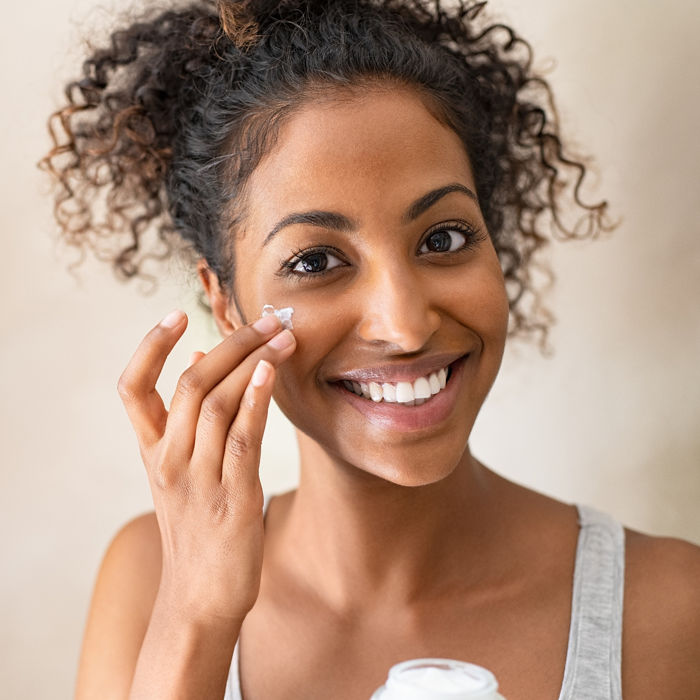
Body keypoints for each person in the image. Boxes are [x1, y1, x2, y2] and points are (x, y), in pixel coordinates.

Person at [41, 1, 700, 698]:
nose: (406, 326)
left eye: (443, 239)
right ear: (224, 300)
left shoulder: (665, 609)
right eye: (317, 260)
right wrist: (197, 619)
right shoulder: (150, 580)